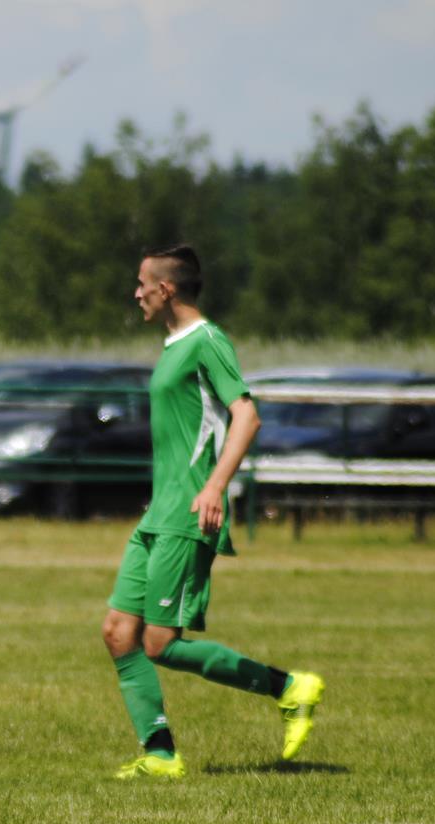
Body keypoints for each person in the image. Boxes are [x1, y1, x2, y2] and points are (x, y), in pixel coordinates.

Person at [104, 244, 324, 779]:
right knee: (117, 631)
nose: (135, 293)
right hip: (159, 512)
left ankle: (289, 688)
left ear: (167, 289)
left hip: (187, 513)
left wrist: (213, 488)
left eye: (142, 283)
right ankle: (159, 755)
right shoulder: (174, 345)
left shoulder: (207, 341)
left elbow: (246, 416)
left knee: (159, 643)